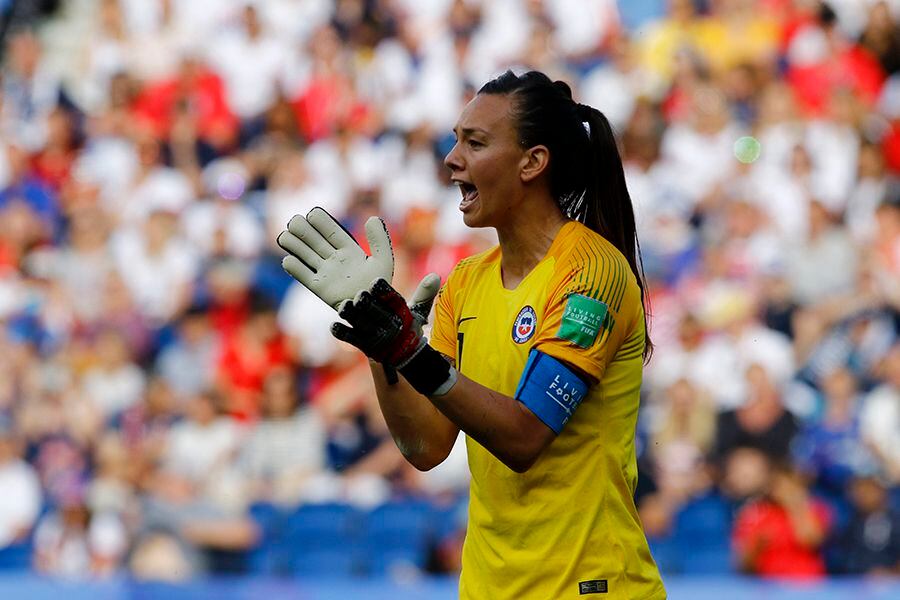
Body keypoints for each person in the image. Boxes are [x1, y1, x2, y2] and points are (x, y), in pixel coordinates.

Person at [278, 70, 665, 599]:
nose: (451, 157)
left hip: (588, 586)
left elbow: (525, 436)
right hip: (488, 587)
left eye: (475, 142)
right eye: (456, 139)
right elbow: (426, 446)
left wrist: (411, 354)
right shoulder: (466, 281)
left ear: (533, 161)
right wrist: (380, 345)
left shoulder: (592, 273)